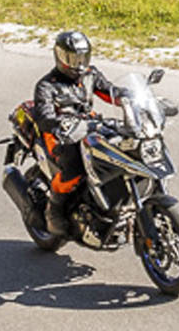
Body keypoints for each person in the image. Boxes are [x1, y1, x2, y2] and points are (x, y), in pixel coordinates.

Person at [30, 29, 121, 235]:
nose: (79, 64)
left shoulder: (90, 75)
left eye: (82, 57)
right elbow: (44, 117)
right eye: (72, 58)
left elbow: (110, 93)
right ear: (60, 57)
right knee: (74, 167)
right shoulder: (46, 86)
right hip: (59, 136)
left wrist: (133, 98)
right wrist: (58, 123)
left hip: (88, 127)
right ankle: (54, 210)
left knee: (118, 145)